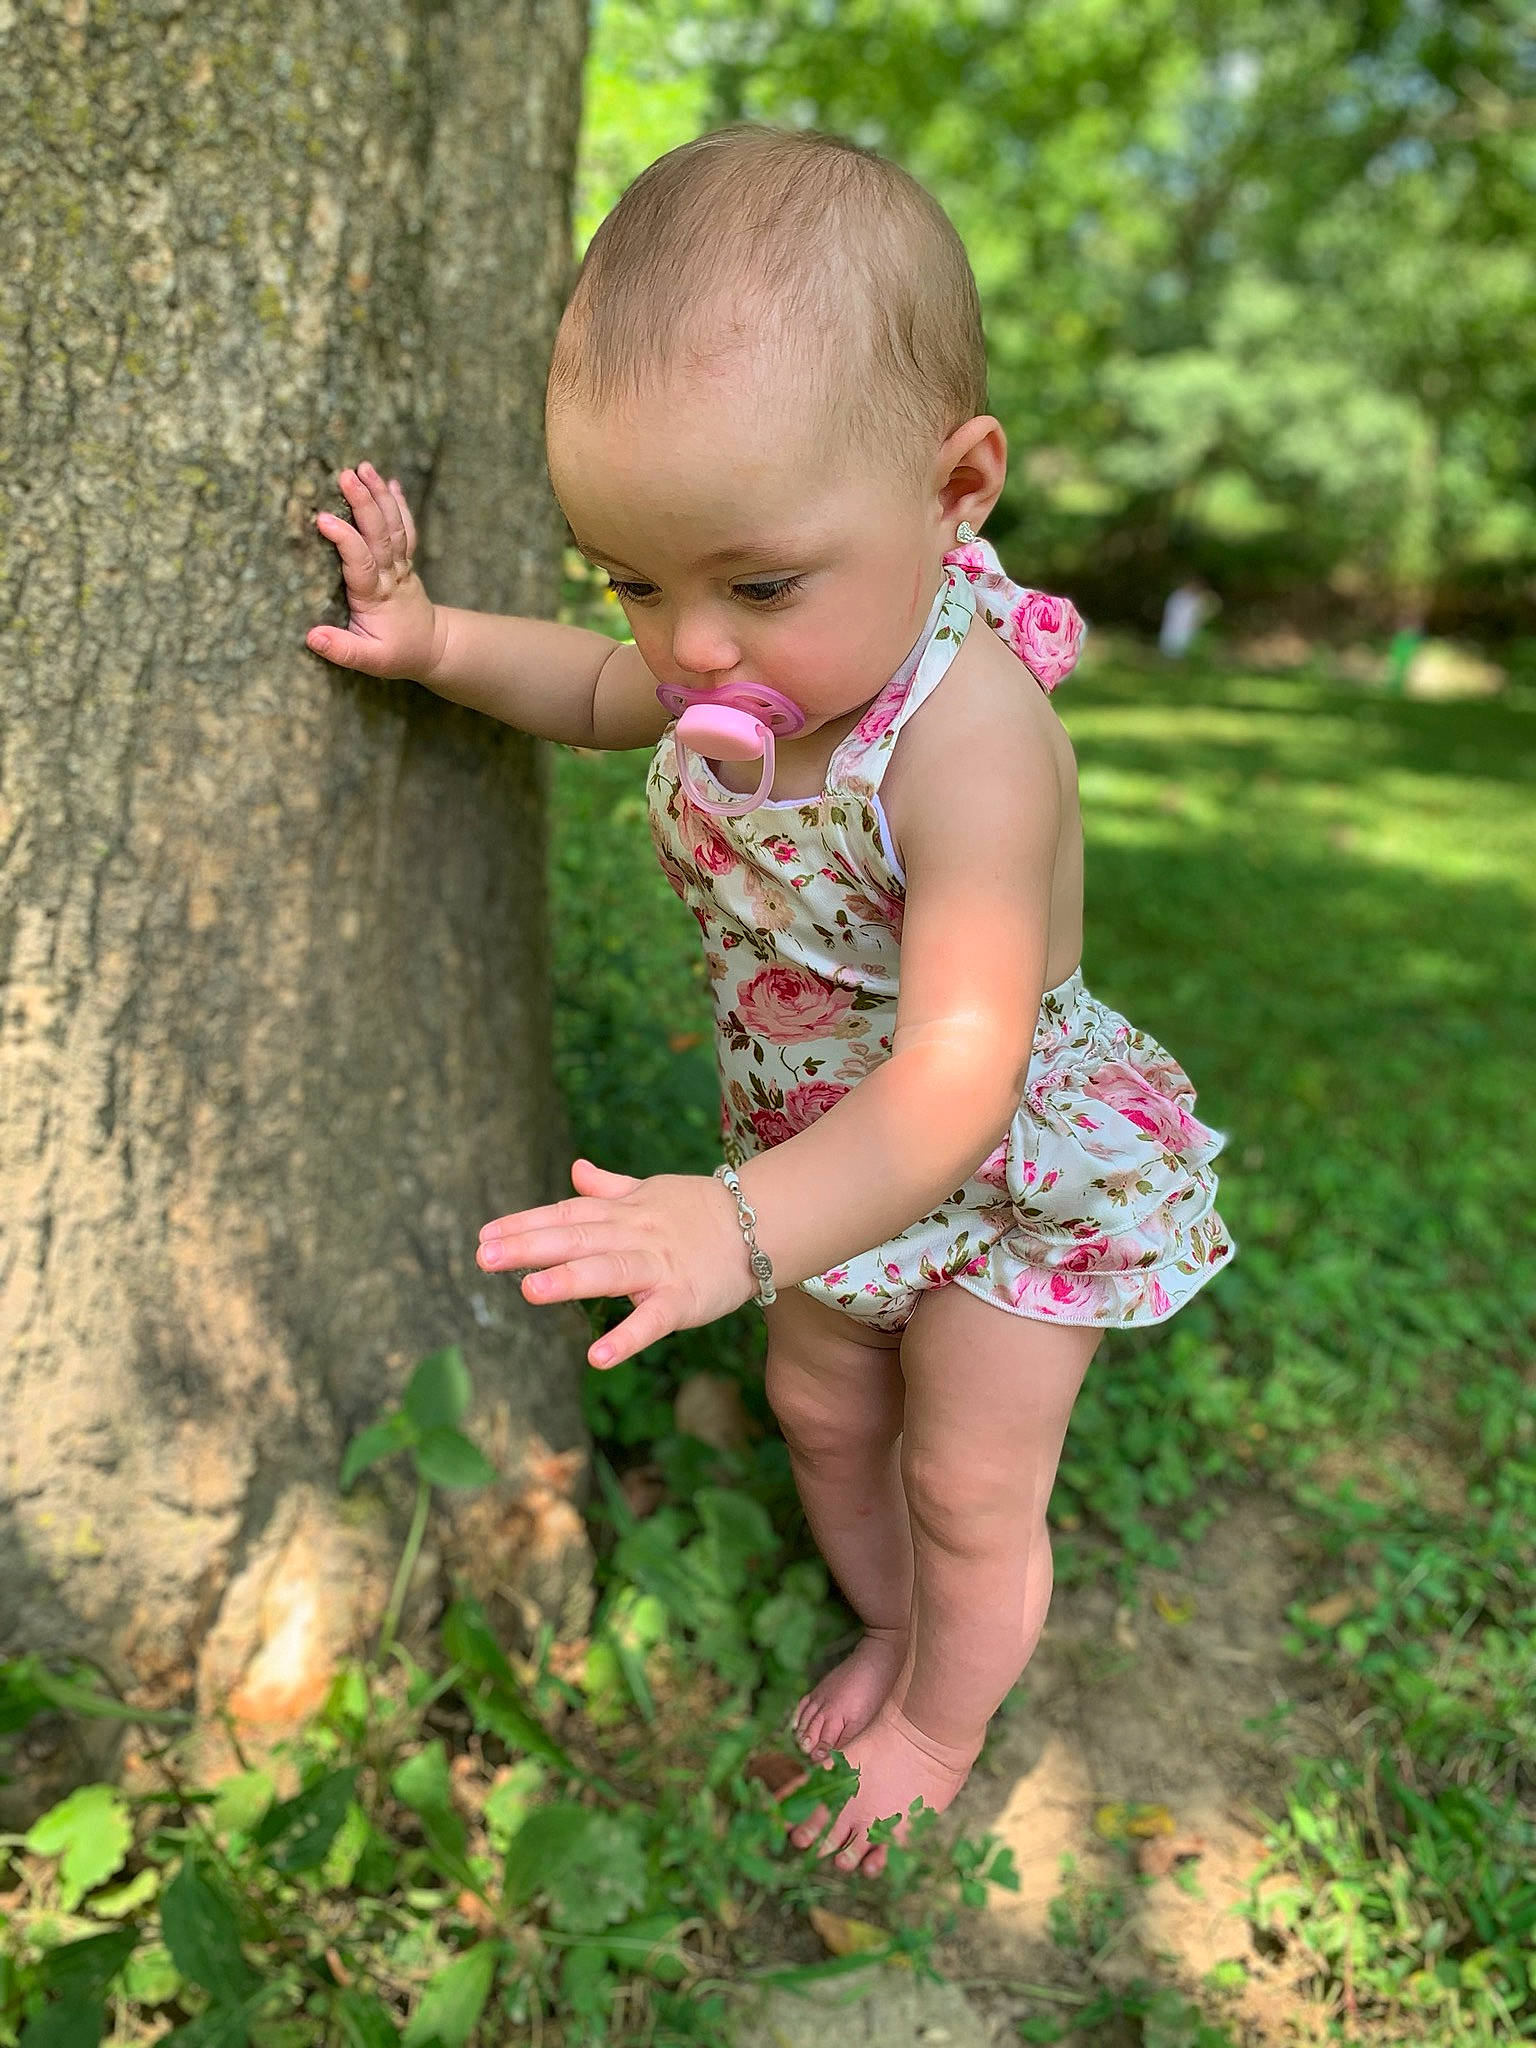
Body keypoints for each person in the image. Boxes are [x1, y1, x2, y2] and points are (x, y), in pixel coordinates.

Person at [305, 122, 1235, 1879]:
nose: (692, 650)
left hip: (1004, 1171)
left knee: (965, 1479)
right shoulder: (723, 654)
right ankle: (886, 1631)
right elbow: (595, 691)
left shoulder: (965, 740)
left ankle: (943, 1725)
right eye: (636, 580)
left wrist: (739, 1231)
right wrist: (434, 642)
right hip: (814, 1152)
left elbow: (965, 1067)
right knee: (823, 1411)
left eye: (755, 583)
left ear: (957, 490)